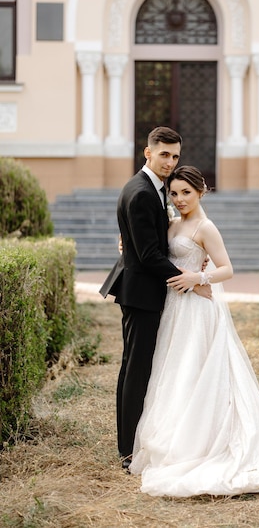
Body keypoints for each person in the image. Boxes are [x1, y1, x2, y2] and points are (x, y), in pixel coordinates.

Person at [129, 165, 259, 496]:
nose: (179, 199)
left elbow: (227, 269)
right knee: (176, 369)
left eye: (186, 193)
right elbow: (153, 253)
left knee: (200, 369)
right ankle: (177, 437)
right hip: (175, 307)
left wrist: (199, 279)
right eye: (175, 193)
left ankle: (208, 441)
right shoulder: (172, 224)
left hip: (198, 309)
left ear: (200, 192)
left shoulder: (206, 228)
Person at [99, 127, 211, 470]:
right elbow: (148, 256)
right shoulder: (143, 192)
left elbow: (146, 242)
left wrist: (189, 256)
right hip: (142, 293)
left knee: (136, 367)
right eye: (164, 154)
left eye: (176, 156)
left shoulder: (151, 189)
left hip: (141, 290)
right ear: (148, 153)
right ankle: (128, 451)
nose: (170, 162)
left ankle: (131, 442)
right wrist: (191, 280)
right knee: (136, 370)